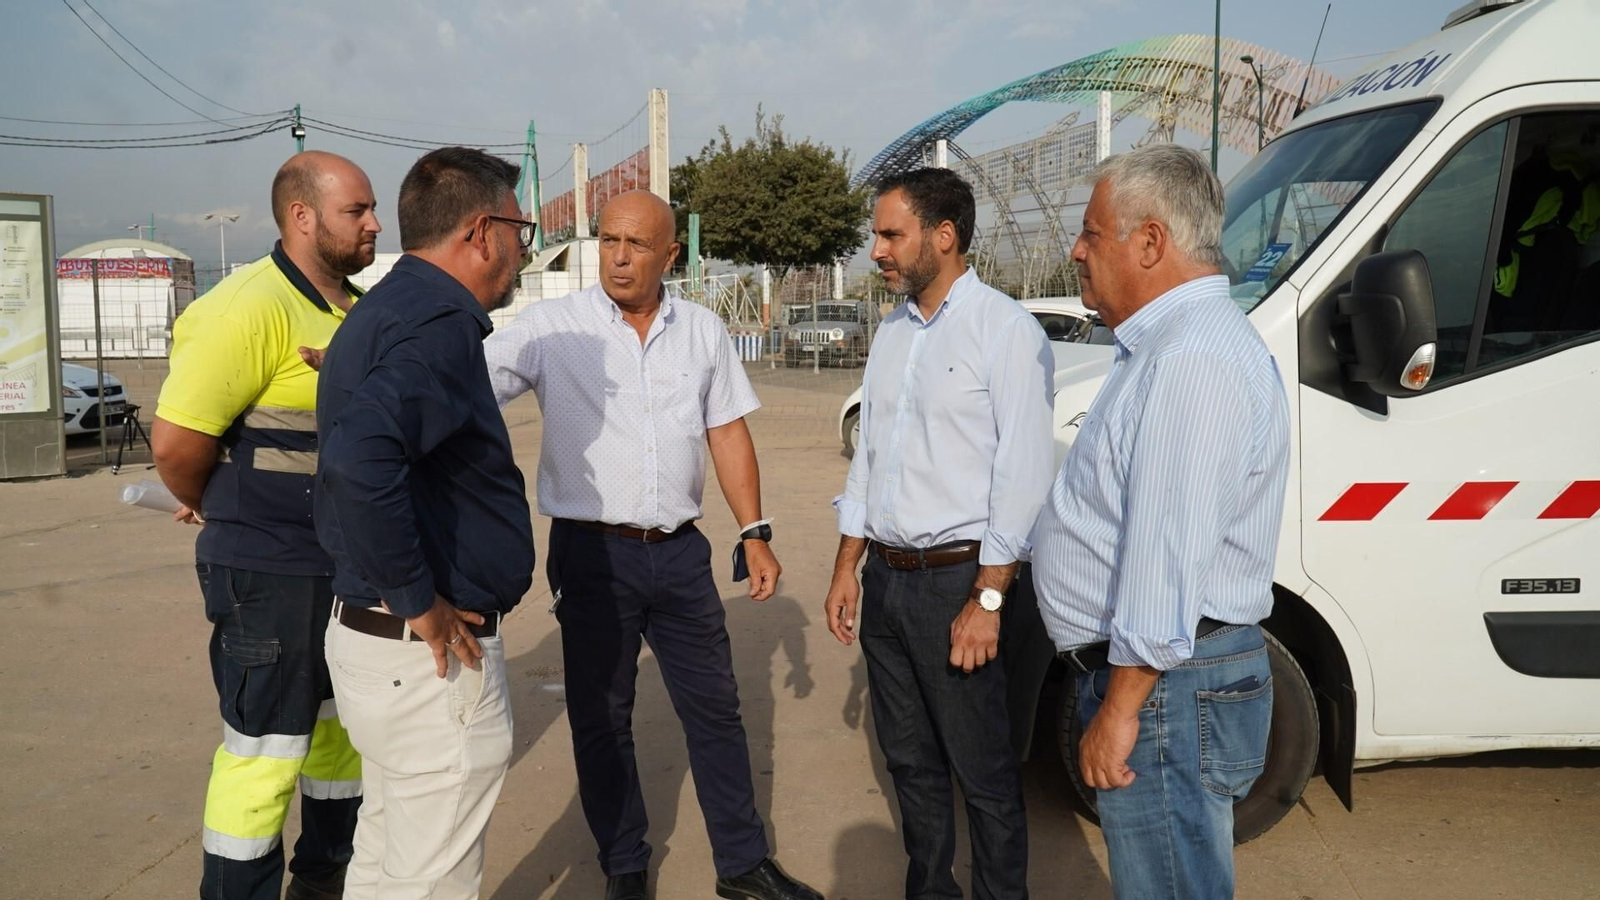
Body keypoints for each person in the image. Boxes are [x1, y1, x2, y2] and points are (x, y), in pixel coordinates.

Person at [484, 190, 822, 900]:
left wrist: (755, 532)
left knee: (718, 708)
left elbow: (726, 430)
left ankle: (742, 863)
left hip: (680, 554)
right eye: (608, 241)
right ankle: (625, 864)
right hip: (591, 554)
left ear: (672, 255)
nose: (618, 257)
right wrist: (376, 364)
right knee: (602, 715)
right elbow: (468, 383)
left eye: (636, 245)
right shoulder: (553, 328)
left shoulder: (701, 331)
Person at [1029, 144, 1291, 900]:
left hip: (1165, 689)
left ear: (1149, 242)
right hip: (1164, 683)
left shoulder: (1193, 359)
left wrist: (1121, 705)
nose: (1075, 250)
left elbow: (1165, 553)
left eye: (1091, 232)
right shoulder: (1170, 346)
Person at [150, 150, 378, 900]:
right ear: (301, 216)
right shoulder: (247, 305)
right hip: (272, 570)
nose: (374, 224)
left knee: (340, 748)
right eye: (358, 211)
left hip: (347, 571)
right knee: (266, 757)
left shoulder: (354, 306)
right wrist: (220, 501)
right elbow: (179, 447)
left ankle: (323, 886)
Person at [824, 167, 1054, 900]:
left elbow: (1022, 474)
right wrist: (845, 568)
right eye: (877, 235)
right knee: (911, 767)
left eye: (892, 234)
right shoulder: (893, 333)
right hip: (886, 586)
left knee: (982, 774)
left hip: (959, 584)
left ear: (944, 236)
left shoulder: (1005, 331)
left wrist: (987, 601)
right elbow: (872, 461)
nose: (877, 251)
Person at [312, 146, 536, 900]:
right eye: (520, 227)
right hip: (423, 657)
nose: (523, 247)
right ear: (481, 231)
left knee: (385, 863)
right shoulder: (436, 323)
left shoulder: (387, 307)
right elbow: (360, 457)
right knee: (427, 882)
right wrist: (422, 602)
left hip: (375, 645)